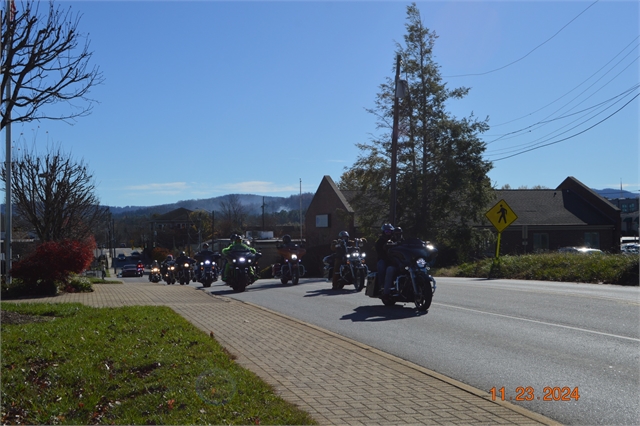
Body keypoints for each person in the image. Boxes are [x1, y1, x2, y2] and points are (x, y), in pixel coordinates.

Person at [375, 223, 395, 293]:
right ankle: (382, 285)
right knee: (382, 266)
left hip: (396, 259)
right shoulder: (380, 241)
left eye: (390, 231)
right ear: (383, 232)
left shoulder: (396, 239)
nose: (389, 233)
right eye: (387, 231)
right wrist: (387, 259)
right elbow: (380, 253)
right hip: (384, 259)